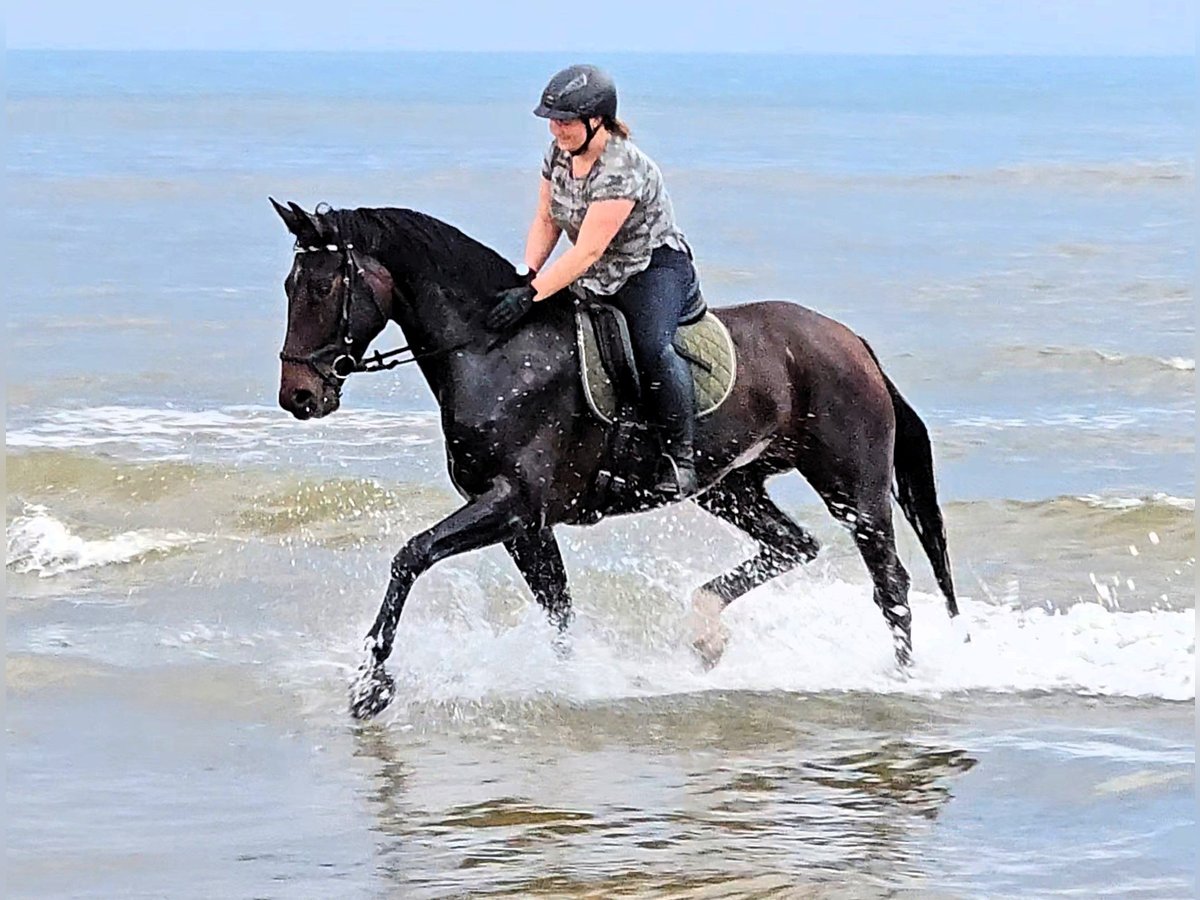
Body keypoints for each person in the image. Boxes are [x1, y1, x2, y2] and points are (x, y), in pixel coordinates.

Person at [487, 64, 703, 498]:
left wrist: (532, 294)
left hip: (651, 268)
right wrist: (526, 273)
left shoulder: (621, 168)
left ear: (596, 120)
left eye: (564, 121)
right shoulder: (558, 154)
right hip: (598, 271)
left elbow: (587, 250)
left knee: (650, 346)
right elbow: (547, 218)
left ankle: (681, 458)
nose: (555, 129)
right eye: (552, 120)